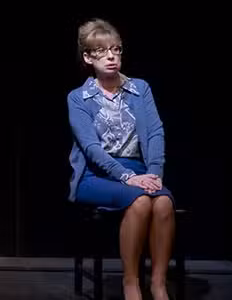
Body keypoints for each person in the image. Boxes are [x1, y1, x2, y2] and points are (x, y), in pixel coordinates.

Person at [67, 19, 174, 300]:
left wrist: (154, 172)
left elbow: (155, 132)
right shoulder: (78, 98)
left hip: (140, 170)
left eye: (116, 49)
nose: (111, 56)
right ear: (88, 57)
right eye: (102, 51)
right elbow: (91, 148)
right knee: (140, 202)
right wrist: (127, 177)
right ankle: (131, 282)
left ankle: (159, 284)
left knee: (163, 202)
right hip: (96, 175)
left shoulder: (140, 88)